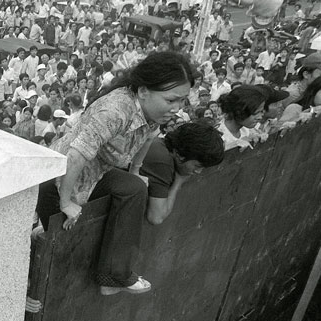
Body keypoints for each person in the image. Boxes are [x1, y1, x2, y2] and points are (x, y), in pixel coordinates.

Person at [36, 51, 195, 295]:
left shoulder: (152, 111)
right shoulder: (116, 111)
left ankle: (113, 277)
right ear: (143, 91)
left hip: (96, 173)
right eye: (171, 100)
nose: (177, 108)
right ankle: (37, 244)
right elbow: (75, 155)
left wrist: (135, 170)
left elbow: (147, 137)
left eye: (182, 101)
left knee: (134, 188)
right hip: (59, 180)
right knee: (65, 251)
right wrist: (65, 202)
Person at [140, 122, 225, 225]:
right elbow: (156, 217)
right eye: (197, 166)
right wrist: (178, 183)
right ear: (179, 154)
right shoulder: (162, 160)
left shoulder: (163, 147)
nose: (198, 172)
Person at [217, 86, 268, 151]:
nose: (260, 117)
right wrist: (233, 146)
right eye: (256, 113)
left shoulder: (247, 130)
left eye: (261, 111)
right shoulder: (217, 136)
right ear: (240, 111)